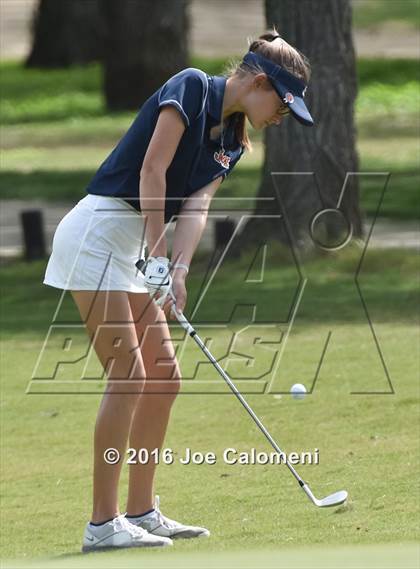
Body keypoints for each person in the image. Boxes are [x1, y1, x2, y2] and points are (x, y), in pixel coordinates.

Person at [43, 28, 314, 553]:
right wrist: (157, 253)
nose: (282, 116)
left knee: (164, 378)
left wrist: (181, 268)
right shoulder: (191, 87)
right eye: (282, 104)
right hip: (98, 233)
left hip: (138, 246)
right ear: (259, 82)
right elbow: (153, 167)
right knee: (128, 374)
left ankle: (141, 511)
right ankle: (102, 524)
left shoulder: (234, 140)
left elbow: (195, 205)